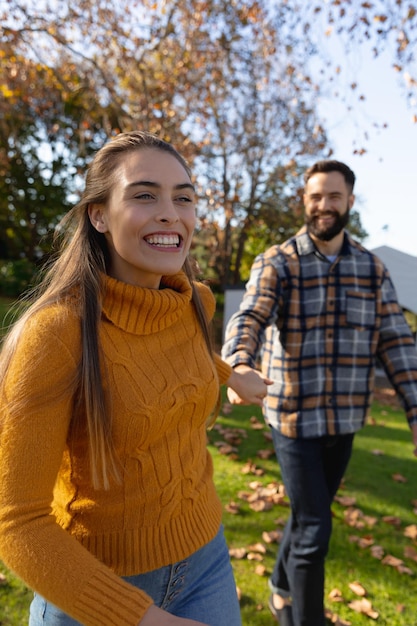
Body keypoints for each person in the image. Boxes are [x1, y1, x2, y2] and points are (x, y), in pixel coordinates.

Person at [0, 130, 269, 626]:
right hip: (93, 593)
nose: (171, 212)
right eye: (145, 195)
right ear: (98, 215)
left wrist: (232, 376)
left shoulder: (194, 300)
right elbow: (19, 525)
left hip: (206, 560)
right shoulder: (56, 335)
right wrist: (143, 618)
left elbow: (177, 358)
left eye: (183, 198)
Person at [221, 159, 417, 626]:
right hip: (292, 418)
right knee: (313, 528)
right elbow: (250, 316)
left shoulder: (372, 269)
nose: (323, 205)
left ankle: (280, 588)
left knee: (311, 512)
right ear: (304, 202)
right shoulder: (278, 262)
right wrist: (239, 362)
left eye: (333, 196)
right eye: (315, 197)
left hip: (345, 420)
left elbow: (396, 342)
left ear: (350, 200)